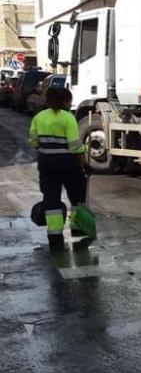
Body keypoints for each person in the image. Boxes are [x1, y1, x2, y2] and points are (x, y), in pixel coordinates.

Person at [28, 87, 88, 251]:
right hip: (69, 166)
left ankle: (55, 238)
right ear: (65, 101)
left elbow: (33, 141)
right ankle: (81, 235)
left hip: (47, 166)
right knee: (78, 201)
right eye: (69, 100)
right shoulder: (68, 118)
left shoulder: (39, 118)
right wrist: (85, 163)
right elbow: (75, 146)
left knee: (52, 201)